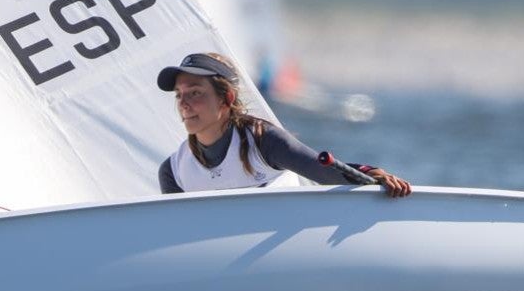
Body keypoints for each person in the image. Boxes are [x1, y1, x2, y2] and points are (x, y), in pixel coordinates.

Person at [156, 52, 411, 196]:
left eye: (195, 93)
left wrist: (373, 175)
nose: (184, 103)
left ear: (226, 99)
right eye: (179, 95)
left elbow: (322, 172)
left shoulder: (264, 141)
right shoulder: (174, 171)